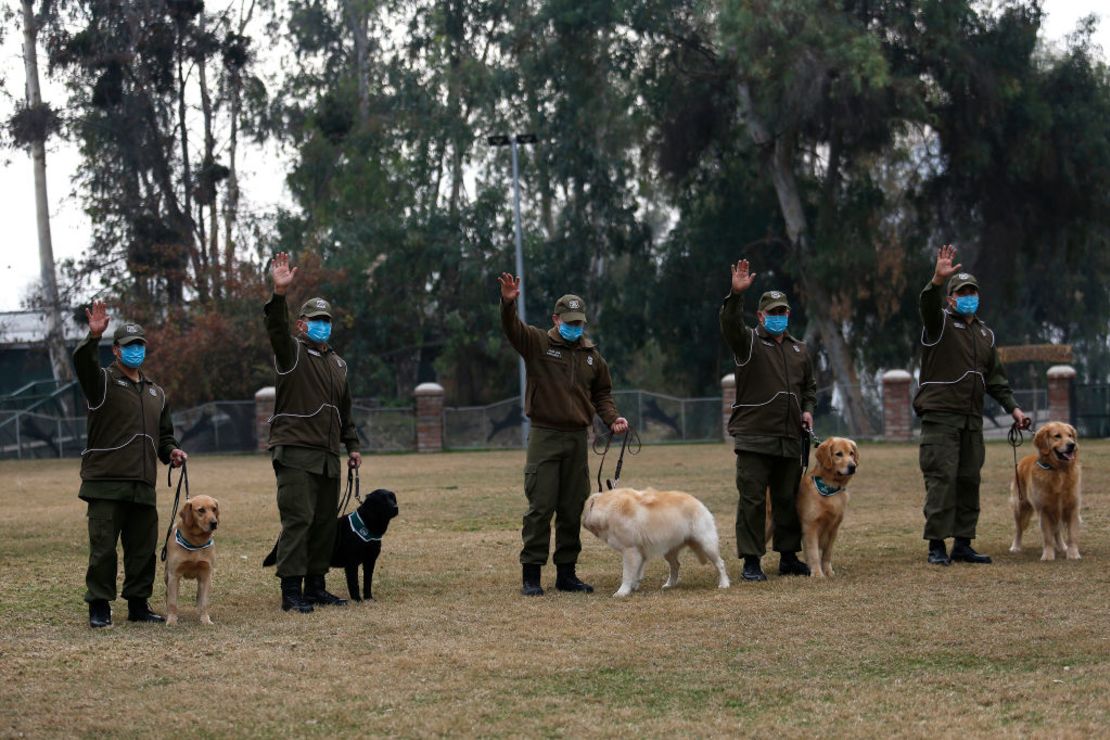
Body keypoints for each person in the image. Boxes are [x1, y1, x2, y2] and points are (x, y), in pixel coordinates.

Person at [497, 273, 629, 596]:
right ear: (556, 319)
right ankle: (531, 575)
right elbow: (512, 330)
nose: (575, 327)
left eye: (579, 322)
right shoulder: (539, 343)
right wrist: (508, 303)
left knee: (573, 508)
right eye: (569, 321)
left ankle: (566, 574)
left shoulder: (592, 356)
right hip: (545, 435)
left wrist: (612, 418)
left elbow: (603, 394)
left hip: (576, 438)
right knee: (540, 506)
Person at [914, 244, 1030, 565]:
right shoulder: (938, 324)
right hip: (941, 418)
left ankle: (963, 542)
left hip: (971, 419)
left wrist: (1014, 409)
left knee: (969, 478)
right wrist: (937, 280)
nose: (968, 296)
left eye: (972, 292)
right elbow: (927, 304)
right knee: (942, 478)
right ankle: (936, 544)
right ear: (951, 298)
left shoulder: (985, 335)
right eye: (961, 292)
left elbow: (995, 379)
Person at [74, 301, 187, 628]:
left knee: (142, 551)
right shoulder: (102, 383)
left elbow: (164, 437)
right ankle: (99, 605)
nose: (136, 350)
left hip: (142, 484)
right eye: (129, 345)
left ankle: (138, 604)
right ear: (116, 350)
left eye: (140, 345)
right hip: (105, 483)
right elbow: (82, 363)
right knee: (103, 550)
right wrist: (92, 337)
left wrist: (173, 452)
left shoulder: (156, 393)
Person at [265, 252, 361, 612]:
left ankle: (316, 585)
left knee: (324, 524)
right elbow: (275, 328)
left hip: (327, 456)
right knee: (298, 520)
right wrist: (279, 294)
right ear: (301, 325)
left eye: (327, 320)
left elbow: (345, 410)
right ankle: (291, 590)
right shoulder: (291, 354)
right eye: (315, 320)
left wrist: (351, 445)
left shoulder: (338, 364)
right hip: (295, 453)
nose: (322, 325)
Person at [719, 260, 816, 581]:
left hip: (789, 436)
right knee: (753, 500)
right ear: (760, 316)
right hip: (754, 437)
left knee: (788, 499)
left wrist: (807, 408)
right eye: (771, 312)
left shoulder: (800, 349)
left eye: (782, 312)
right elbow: (730, 323)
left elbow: (810, 388)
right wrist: (735, 294)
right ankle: (751, 561)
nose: (778, 317)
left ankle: (788, 556)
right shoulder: (747, 343)